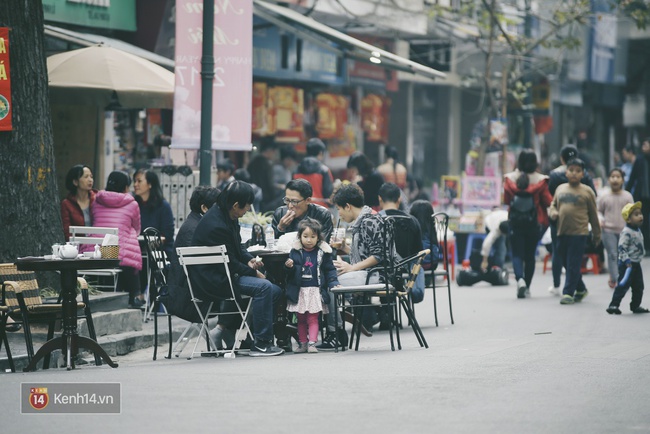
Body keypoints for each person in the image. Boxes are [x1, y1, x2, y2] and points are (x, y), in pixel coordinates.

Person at [190, 181, 284, 356]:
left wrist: (250, 261)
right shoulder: (216, 224)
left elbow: (237, 247)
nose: (247, 210)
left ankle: (251, 339)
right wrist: (253, 272)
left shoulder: (226, 215)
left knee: (275, 290)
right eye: (246, 207)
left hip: (225, 273)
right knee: (264, 287)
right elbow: (230, 262)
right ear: (235, 205)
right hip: (214, 280)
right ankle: (262, 343)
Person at [317, 184, 387, 350]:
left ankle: (336, 333)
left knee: (330, 284)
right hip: (369, 272)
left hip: (376, 275)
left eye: (339, 209)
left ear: (348, 206)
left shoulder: (369, 221)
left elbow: (378, 256)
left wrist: (351, 268)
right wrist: (345, 248)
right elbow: (366, 254)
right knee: (329, 277)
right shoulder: (365, 218)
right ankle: (336, 332)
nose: (339, 213)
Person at [548, 158, 601, 305]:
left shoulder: (587, 191)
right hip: (562, 231)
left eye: (578, 171)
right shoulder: (560, 189)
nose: (574, 174)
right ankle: (581, 289)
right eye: (571, 170)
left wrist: (597, 234)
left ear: (583, 174)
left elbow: (593, 214)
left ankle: (568, 293)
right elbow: (553, 205)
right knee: (565, 261)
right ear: (566, 172)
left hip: (579, 233)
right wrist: (553, 212)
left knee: (573, 262)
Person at [284, 218, 340, 353]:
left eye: (313, 237)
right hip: (300, 291)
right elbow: (289, 274)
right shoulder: (295, 252)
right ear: (300, 237)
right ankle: (303, 343)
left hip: (315, 290)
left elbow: (329, 269)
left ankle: (312, 343)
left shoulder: (323, 252)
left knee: (313, 318)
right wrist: (289, 267)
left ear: (318, 238)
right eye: (305, 236)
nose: (309, 240)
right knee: (301, 319)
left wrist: (334, 282)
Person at [504, 149, 553, 298]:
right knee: (530, 255)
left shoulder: (510, 179)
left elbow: (506, 201)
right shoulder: (541, 180)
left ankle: (520, 280)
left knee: (517, 253)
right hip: (535, 223)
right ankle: (527, 287)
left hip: (515, 222)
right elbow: (548, 201)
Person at [91, 171, 143, 308]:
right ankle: (134, 296)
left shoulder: (96, 200)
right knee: (130, 251)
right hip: (118, 256)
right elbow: (137, 228)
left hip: (97, 252)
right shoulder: (132, 204)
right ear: (126, 187)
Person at [378, 183, 424, 302]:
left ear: (380, 199)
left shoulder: (374, 220)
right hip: (406, 268)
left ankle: (381, 311)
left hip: (380, 271)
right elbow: (418, 251)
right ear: (399, 199)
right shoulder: (412, 220)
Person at [606, 202, 649, 314]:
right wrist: (626, 260)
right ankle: (614, 305)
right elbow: (621, 247)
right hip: (628, 265)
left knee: (639, 287)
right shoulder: (627, 232)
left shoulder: (637, 230)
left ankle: (635, 306)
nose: (640, 216)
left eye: (640, 213)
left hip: (636, 264)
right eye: (636, 214)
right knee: (623, 285)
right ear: (628, 219)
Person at [597, 168, 634, 288]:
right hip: (608, 230)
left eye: (618, 177)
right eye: (612, 176)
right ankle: (615, 279)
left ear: (622, 180)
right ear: (608, 179)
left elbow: (633, 213)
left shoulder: (627, 196)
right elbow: (598, 211)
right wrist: (600, 219)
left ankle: (624, 277)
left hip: (624, 231)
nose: (615, 179)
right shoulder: (604, 196)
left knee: (624, 255)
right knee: (612, 254)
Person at [133, 169, 175, 261]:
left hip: (160, 254)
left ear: (150, 184)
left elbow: (167, 235)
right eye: (134, 181)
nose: (135, 185)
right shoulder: (133, 204)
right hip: (137, 252)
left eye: (139, 181)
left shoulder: (163, 206)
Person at [293, 138, 334, 208]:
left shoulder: (296, 171)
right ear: (320, 153)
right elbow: (328, 194)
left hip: (301, 210)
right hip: (320, 211)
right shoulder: (324, 170)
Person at [626, 138, 650, 252]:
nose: (643, 148)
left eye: (646, 145)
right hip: (642, 195)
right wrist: (626, 192)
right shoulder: (639, 160)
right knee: (642, 221)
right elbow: (632, 177)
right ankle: (645, 246)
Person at [60, 164, 96, 241]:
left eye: (91, 177)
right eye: (86, 177)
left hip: (97, 245)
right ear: (75, 182)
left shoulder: (97, 199)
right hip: (77, 246)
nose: (90, 180)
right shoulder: (66, 204)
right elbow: (67, 231)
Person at [247, 139, 282, 212]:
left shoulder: (252, 162)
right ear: (269, 151)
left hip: (252, 195)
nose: (274, 155)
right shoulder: (267, 164)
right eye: (274, 153)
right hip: (265, 198)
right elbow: (270, 183)